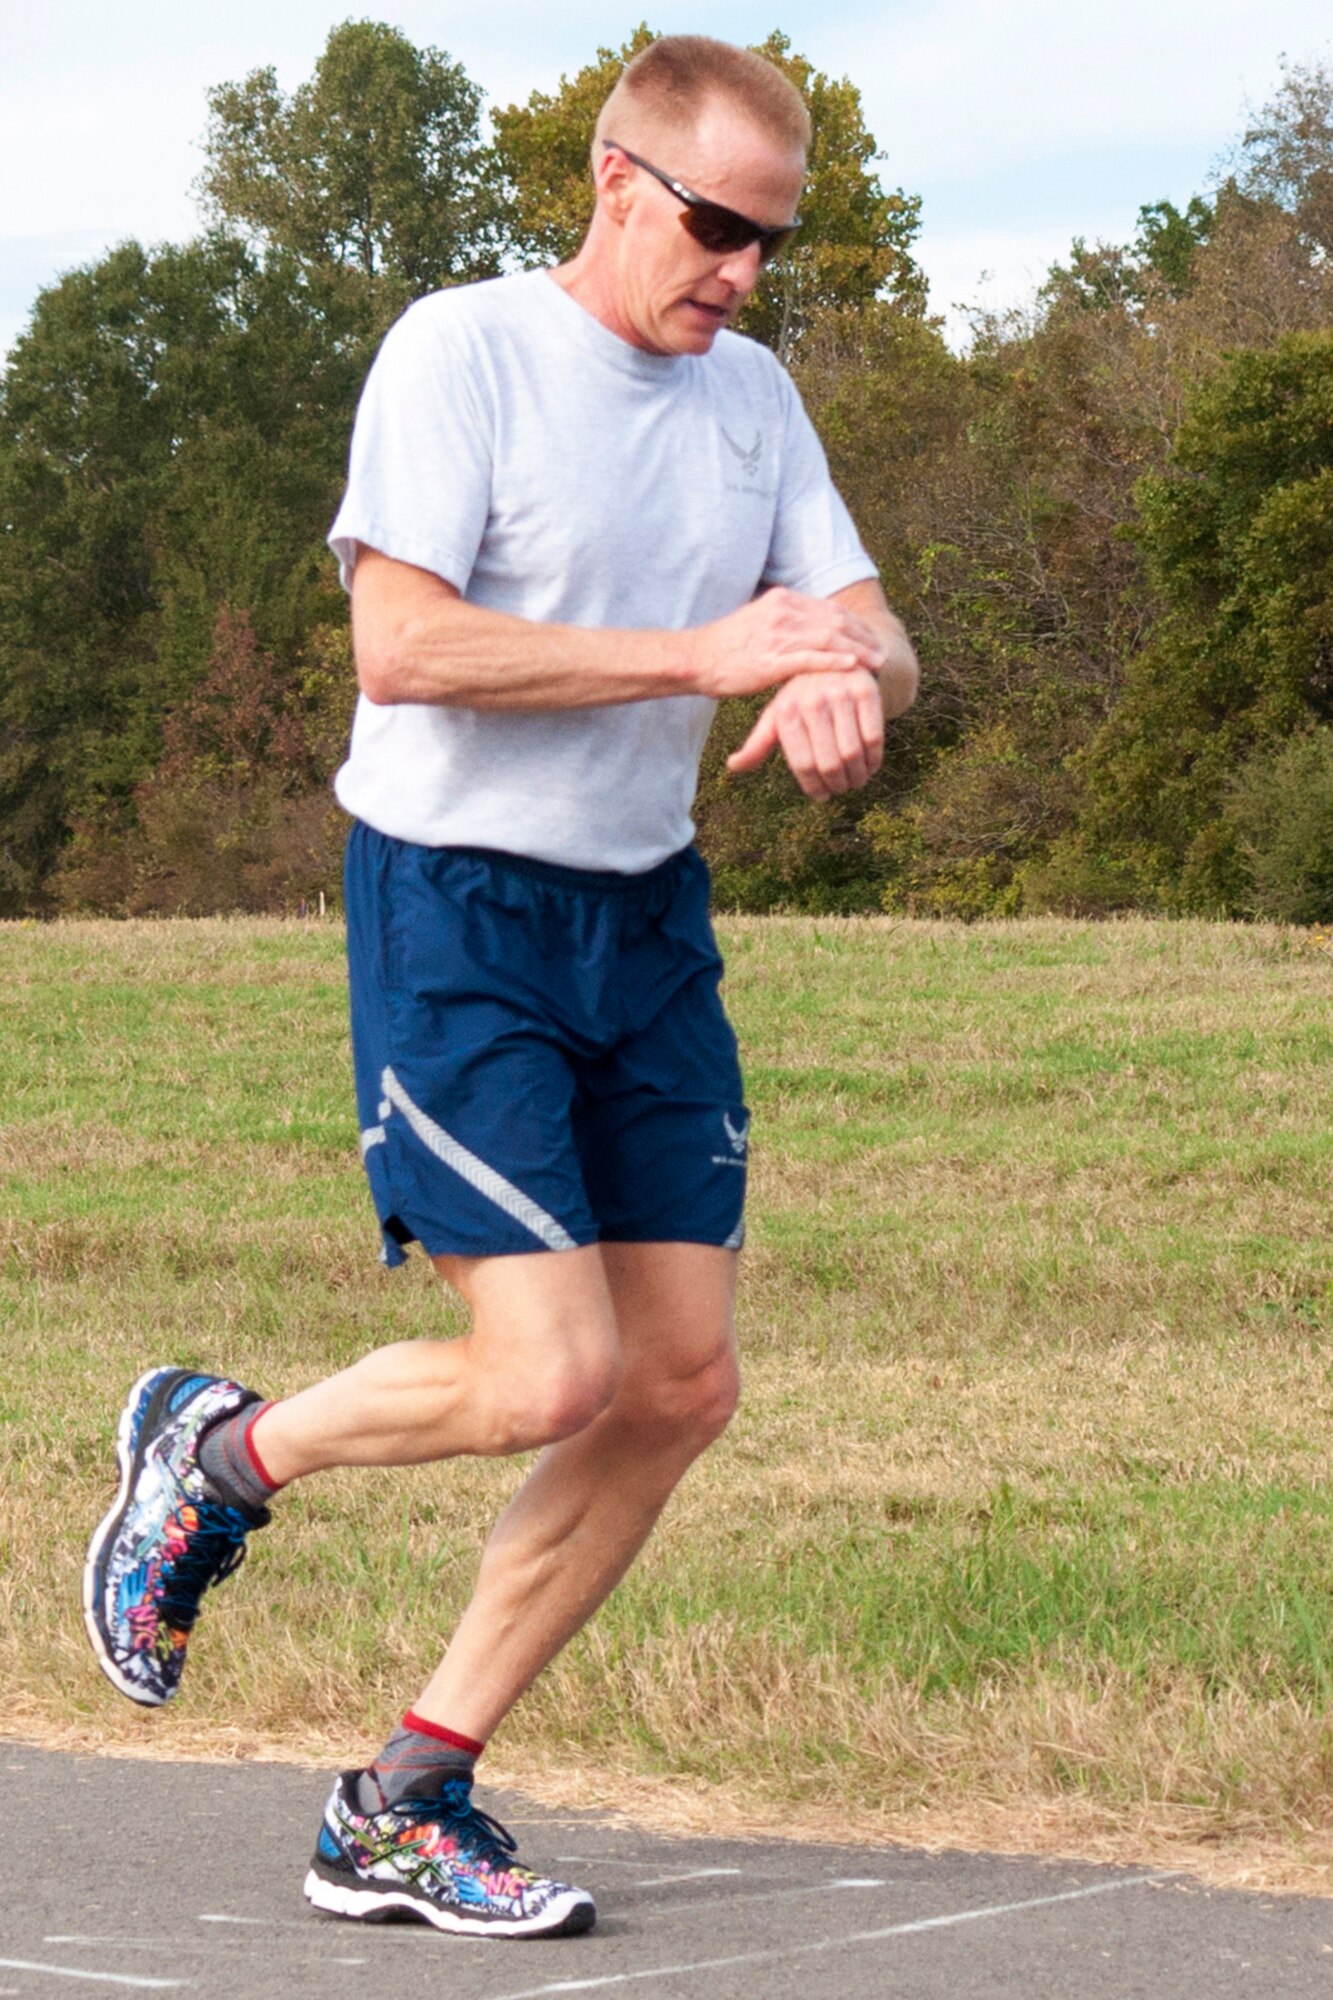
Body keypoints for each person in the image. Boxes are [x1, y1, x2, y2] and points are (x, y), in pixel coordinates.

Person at [82, 33, 919, 1942]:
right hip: (456, 909)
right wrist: (704, 654)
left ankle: (402, 1796)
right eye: (716, 227)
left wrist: (846, 667)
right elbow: (404, 646)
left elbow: (862, 614)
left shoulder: (754, 397)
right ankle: (213, 1457)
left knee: (679, 1383)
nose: (741, 273)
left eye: (771, 241)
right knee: (553, 1372)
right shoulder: (460, 351)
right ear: (619, 179)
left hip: (645, 914)